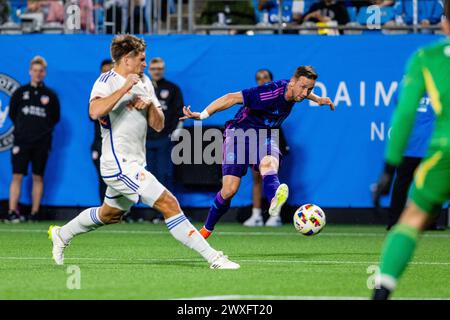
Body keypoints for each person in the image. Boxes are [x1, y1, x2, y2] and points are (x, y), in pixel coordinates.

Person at [48, 34, 239, 270]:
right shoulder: (106, 81)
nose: (145, 64)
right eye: (141, 59)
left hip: (135, 162)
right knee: (169, 203)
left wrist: (149, 103)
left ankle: (62, 234)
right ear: (127, 59)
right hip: (117, 164)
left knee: (110, 215)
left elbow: (158, 125)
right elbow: (94, 111)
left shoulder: (145, 81)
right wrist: (124, 90)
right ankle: (214, 258)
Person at [180, 66, 334, 239]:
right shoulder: (268, 92)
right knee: (229, 190)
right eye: (304, 87)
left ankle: (275, 197)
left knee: (269, 163)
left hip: (265, 135)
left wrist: (318, 98)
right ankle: (206, 229)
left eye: (310, 89)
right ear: (292, 82)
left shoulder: (296, 90)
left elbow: (303, 92)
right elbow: (231, 97)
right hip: (239, 134)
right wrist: (202, 115)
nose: (306, 93)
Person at [372, 0, 450, 300]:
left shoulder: (427, 57)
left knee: (413, 217)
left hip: (444, 152)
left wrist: (388, 169)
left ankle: (382, 292)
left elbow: (403, 115)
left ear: (443, 23)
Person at [8, 56, 60, 223]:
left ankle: (35, 212)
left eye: (41, 71)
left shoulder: (50, 96)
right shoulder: (20, 93)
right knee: (17, 175)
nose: (38, 74)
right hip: (22, 142)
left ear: (44, 73)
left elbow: (55, 118)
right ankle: (12, 211)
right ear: (30, 71)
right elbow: (12, 114)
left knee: (38, 176)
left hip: (41, 143)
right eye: (35, 70)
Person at [243, 69, 289, 228]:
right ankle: (256, 215)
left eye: (265, 78)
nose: (262, 81)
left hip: (272, 140)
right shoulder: (255, 98)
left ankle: (275, 216)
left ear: (272, 79)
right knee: (256, 177)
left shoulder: (279, 96)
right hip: (255, 138)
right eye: (259, 78)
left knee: (271, 175)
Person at [387, 95, 435, 230]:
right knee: (414, 184)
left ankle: (395, 221)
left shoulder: (407, 85)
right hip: (421, 144)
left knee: (405, 183)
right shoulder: (436, 85)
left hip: (418, 144)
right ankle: (397, 221)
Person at [146, 57, 184, 223]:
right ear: (149, 70)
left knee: (165, 175)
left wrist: (177, 130)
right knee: (149, 177)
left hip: (165, 138)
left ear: (164, 69)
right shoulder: (142, 87)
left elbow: (179, 112)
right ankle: (154, 213)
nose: (157, 71)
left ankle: (168, 213)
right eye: (154, 68)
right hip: (145, 139)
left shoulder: (172, 89)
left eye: (160, 68)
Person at [91, 59, 113, 203]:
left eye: (109, 71)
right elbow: (93, 114)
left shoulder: (124, 89)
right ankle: (104, 211)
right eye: (104, 71)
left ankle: (124, 212)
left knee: (122, 179)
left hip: (120, 142)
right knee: (104, 178)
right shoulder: (98, 91)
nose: (106, 74)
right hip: (101, 143)